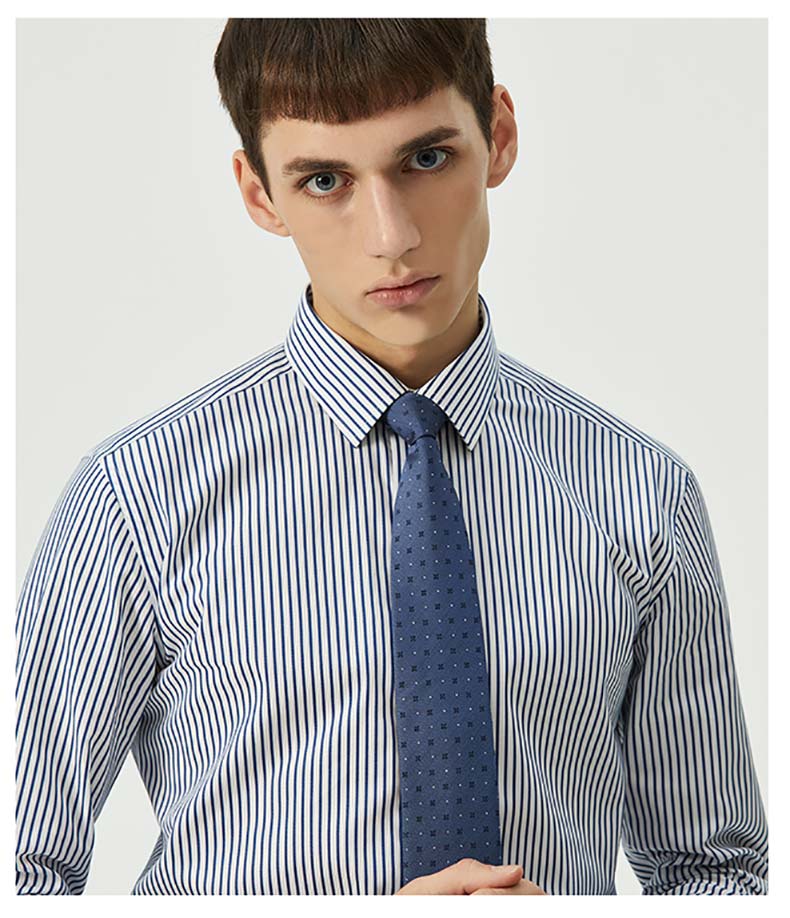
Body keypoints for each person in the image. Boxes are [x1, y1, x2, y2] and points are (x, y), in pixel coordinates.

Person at [15, 18, 768, 896]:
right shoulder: (136, 497)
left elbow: (714, 872)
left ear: (500, 135)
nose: (391, 235)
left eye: (426, 159)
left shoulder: (640, 491)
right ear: (260, 194)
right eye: (325, 180)